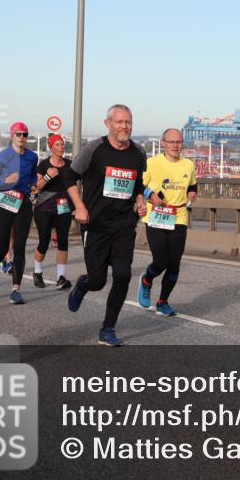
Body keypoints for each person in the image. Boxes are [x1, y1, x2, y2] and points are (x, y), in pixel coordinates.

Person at [64, 104, 147, 347]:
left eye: (128, 122)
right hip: (96, 225)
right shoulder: (95, 149)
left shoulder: (138, 153)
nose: (125, 126)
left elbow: (139, 184)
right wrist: (79, 206)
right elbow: (70, 177)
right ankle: (82, 284)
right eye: (120, 122)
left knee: (122, 276)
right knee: (98, 280)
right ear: (108, 123)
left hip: (124, 225)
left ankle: (107, 328)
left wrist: (140, 200)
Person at [137, 128, 197, 316]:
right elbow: (139, 184)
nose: (175, 145)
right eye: (171, 142)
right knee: (161, 260)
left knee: (174, 264)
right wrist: (149, 195)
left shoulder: (189, 165)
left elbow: (193, 185)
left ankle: (163, 301)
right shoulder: (152, 163)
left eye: (178, 142)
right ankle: (147, 280)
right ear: (163, 143)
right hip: (156, 215)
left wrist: (192, 193)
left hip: (178, 215)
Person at [0, 122, 38, 305]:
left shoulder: (32, 157)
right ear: (12, 136)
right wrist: (6, 180)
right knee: (4, 247)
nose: (22, 137)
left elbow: (32, 177)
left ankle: (16, 289)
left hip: (23, 203)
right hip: (4, 202)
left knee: (20, 247)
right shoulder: (3, 156)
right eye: (19, 134)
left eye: (25, 134)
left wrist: (33, 186)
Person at [32, 134, 74, 290]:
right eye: (57, 144)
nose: (61, 147)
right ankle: (37, 271)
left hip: (63, 206)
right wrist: (49, 175)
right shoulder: (43, 165)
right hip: (44, 207)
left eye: (62, 144)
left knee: (63, 241)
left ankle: (61, 277)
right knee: (44, 240)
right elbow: (37, 187)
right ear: (51, 147)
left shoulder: (70, 164)